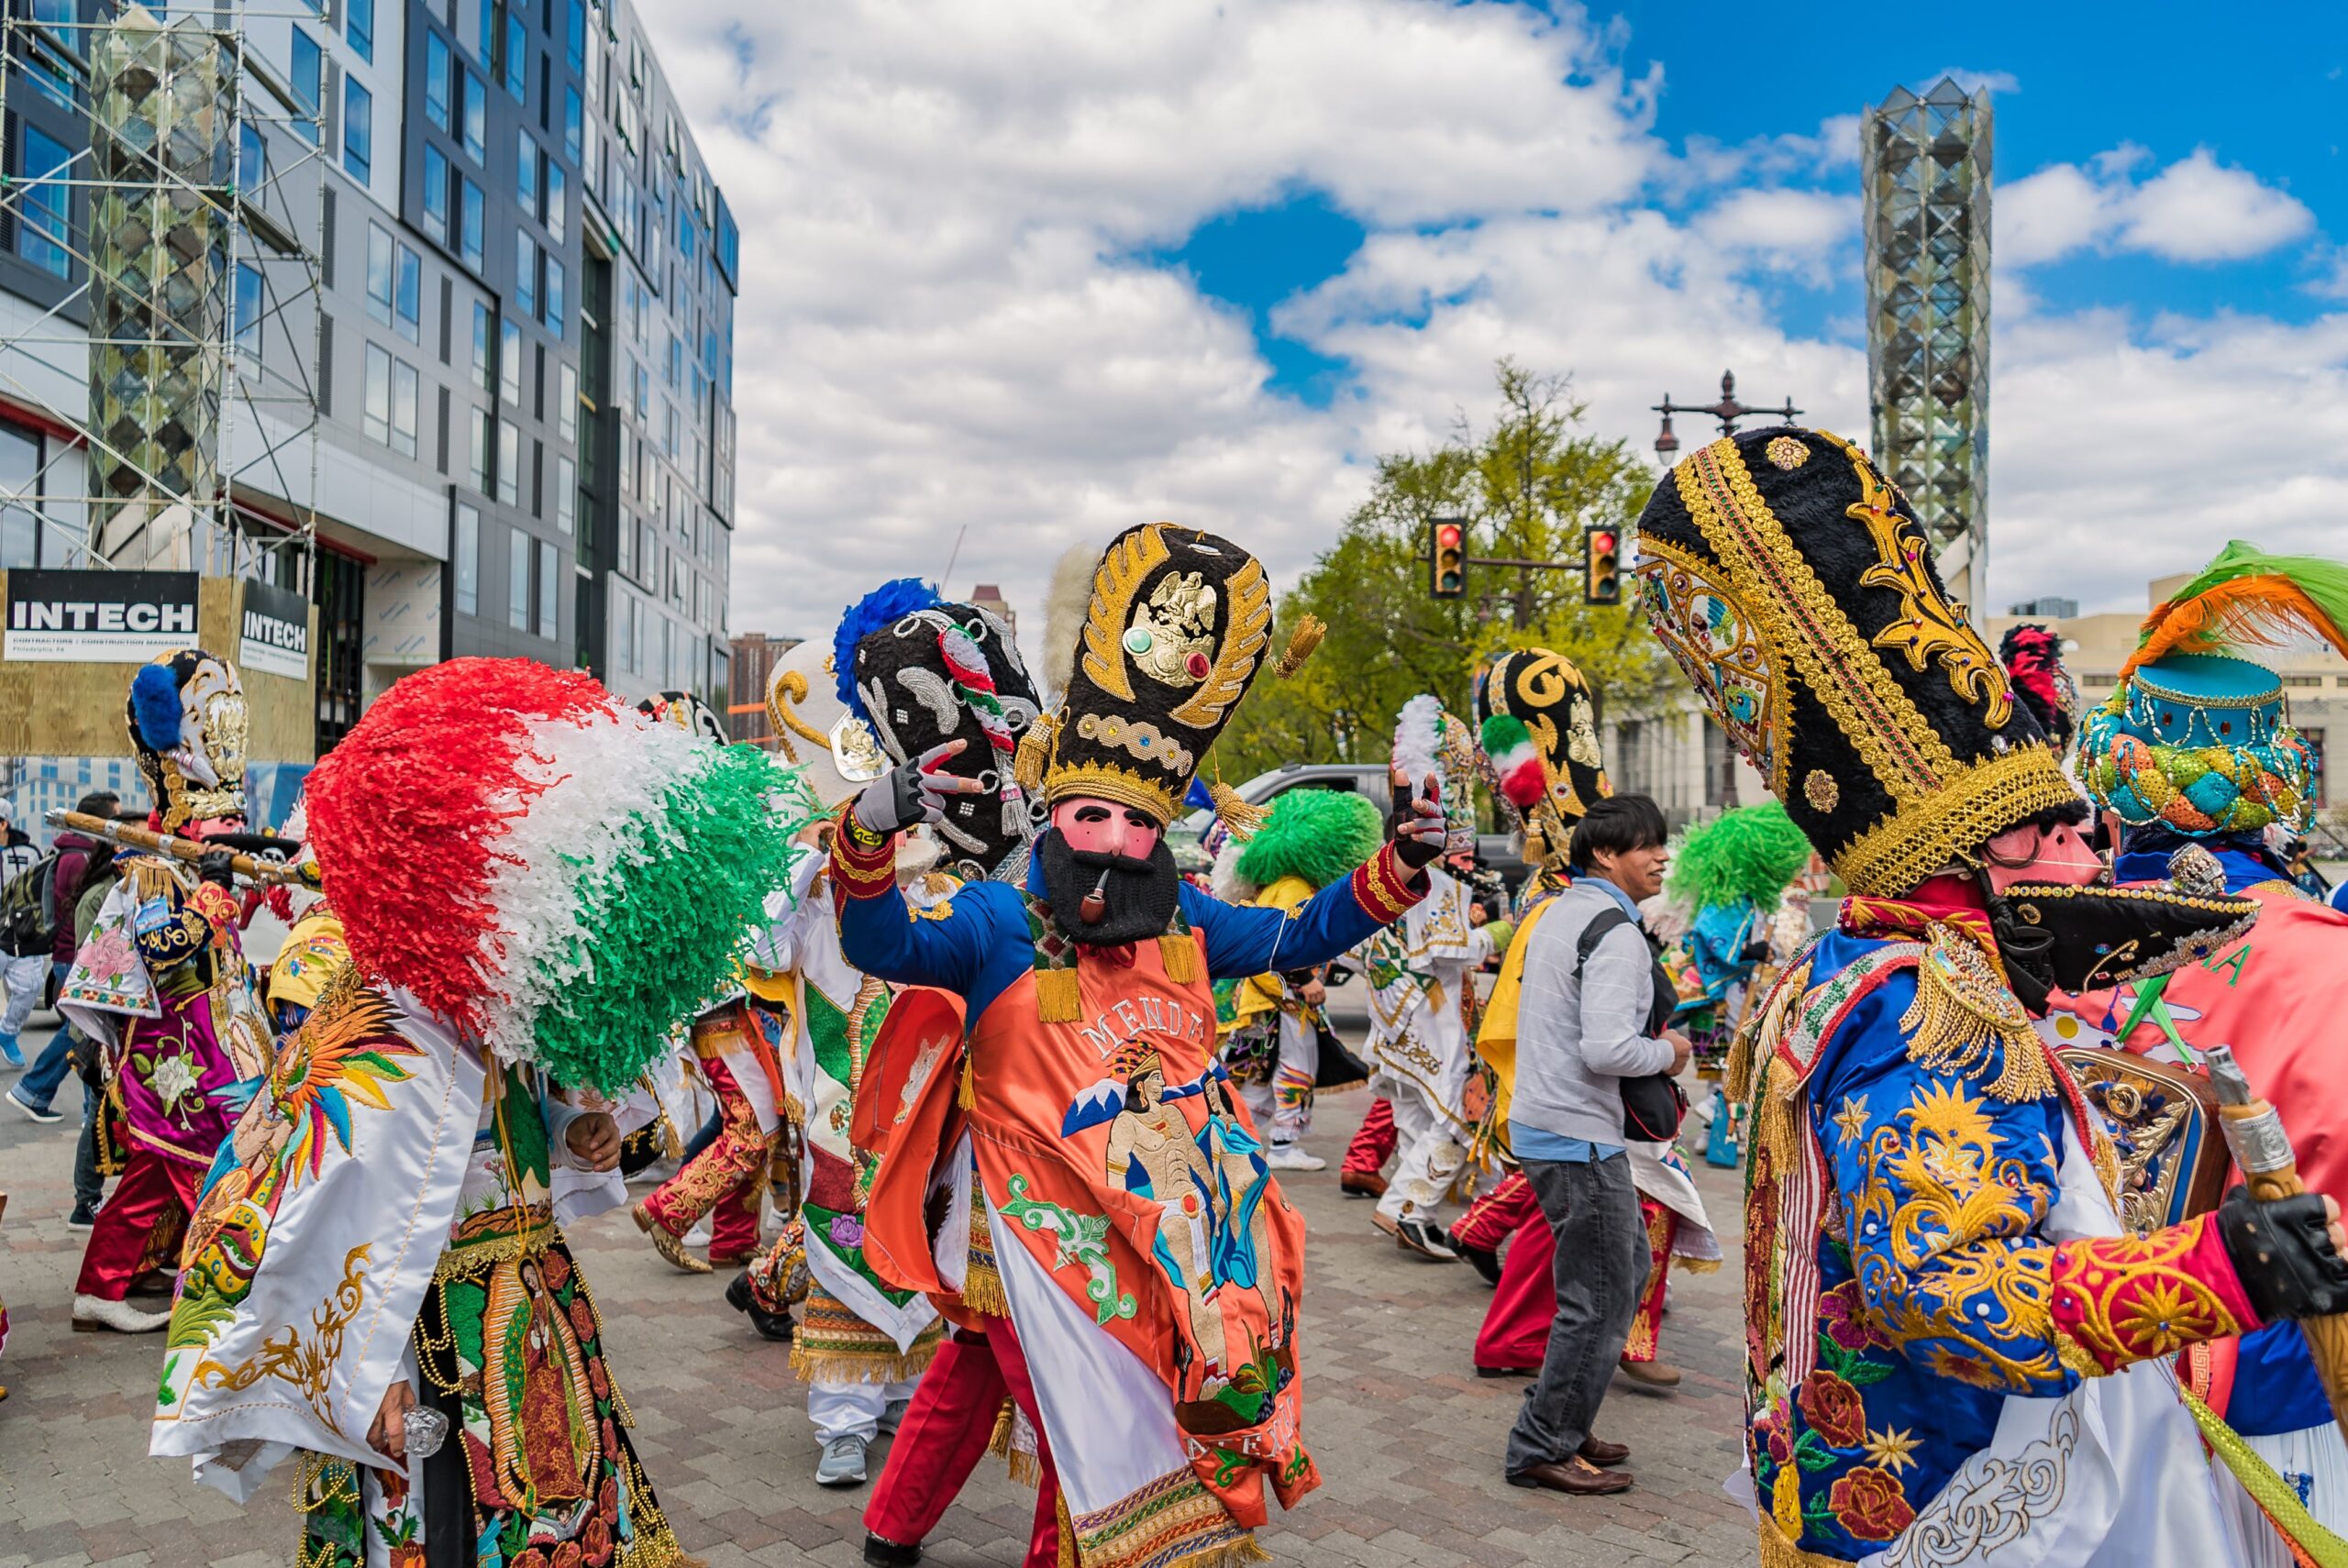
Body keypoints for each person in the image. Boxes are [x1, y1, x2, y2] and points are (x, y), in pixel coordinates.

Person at [1637, 425, 2348, 1563]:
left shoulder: (1845, 965)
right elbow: (1946, 1293)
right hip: (1960, 1495)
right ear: (1986, 853)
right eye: (2056, 827)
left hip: (1864, 1472)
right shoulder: (1928, 1007)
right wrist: (2220, 1266)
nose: (2089, 849)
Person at [840, 524, 1451, 1568]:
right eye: (1092, 817)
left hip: (1164, 1216)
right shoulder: (997, 918)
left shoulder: (1185, 918)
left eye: (1139, 827)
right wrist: (867, 832)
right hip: (1031, 1220)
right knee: (1089, 1422)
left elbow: (1295, 937)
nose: (1119, 843)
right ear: (1051, 820)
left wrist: (1397, 869)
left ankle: (892, 1528)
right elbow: (883, 943)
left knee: (989, 1368)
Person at [150, 657, 800, 1568]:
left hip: (528, 1299)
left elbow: (531, 1118)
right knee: (439, 1527)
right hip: (420, 1327)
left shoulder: (487, 994)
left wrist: (574, 1122)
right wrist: (365, 1373)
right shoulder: (377, 1019)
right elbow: (323, 1213)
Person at [2048, 540, 2348, 1542]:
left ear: (2113, 779)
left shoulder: (2034, 942)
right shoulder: (2328, 957)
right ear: (2278, 784)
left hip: (2075, 1379)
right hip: (2279, 1387)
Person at [56, 651, 271, 1333]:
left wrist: (244, 882)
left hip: (215, 1040)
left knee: (167, 1167)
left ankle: (110, 1282)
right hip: (175, 1048)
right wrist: (212, 894)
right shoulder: (150, 864)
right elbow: (162, 946)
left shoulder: (193, 858)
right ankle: (220, 1286)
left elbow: (232, 933)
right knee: (212, 1159)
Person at [1493, 794, 1685, 1496]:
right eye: (1647, 845)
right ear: (1605, 853)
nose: (1661, 857)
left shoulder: (1560, 910)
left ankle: (1564, 1418)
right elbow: (1607, 1048)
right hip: (1577, 1134)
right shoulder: (1615, 931)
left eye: (1661, 843)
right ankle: (1541, 1444)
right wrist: (1669, 1053)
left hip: (1553, 1123)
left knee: (1621, 1272)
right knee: (1599, 1297)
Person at [627, 690, 793, 1275]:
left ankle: (732, 1238)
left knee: (755, 1122)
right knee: (751, 1128)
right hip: (719, 1003)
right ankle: (667, 1211)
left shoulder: (691, 830)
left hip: (734, 999)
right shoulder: (677, 837)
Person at [1357, 696, 1513, 1258]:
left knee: (1416, 1113)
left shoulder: (1379, 868)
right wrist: (1496, 938)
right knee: (1455, 1110)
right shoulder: (1435, 879)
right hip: (1432, 1011)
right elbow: (1446, 949)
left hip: (1392, 1014)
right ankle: (1409, 1208)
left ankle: (1412, 1211)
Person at [1215, 785, 1387, 1174]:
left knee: (1257, 1076)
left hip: (1268, 1001)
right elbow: (1278, 945)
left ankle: (1235, 1146)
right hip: (1282, 1001)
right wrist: (1304, 982)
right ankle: (1280, 1145)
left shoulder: (1282, 883)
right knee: (1295, 1068)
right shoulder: (1293, 886)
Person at [10, 791, 119, 1124]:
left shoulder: (80, 854)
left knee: (84, 1030)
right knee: (85, 1032)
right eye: (115, 819)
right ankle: (58, 1099)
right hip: (73, 957)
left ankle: (38, 1093)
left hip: (73, 957)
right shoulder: (78, 859)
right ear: (98, 822)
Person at [0, 799, 48, 1066]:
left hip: (22, 935)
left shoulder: (29, 853)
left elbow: (43, 890)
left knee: (30, 988)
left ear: (4, 824)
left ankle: (7, 1034)